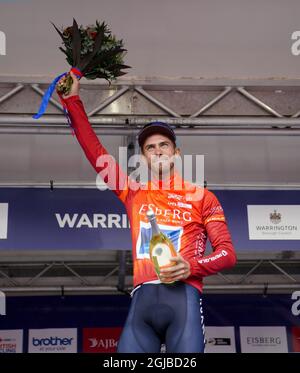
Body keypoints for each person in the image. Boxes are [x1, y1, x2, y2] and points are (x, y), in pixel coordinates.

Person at [58, 71, 237, 353]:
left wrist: (192, 267)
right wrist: (71, 101)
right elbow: (94, 150)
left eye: (164, 144)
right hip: (141, 303)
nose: (158, 151)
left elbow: (227, 254)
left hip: (185, 300)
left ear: (176, 152)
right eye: (150, 147)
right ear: (143, 157)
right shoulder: (132, 191)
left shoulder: (203, 196)